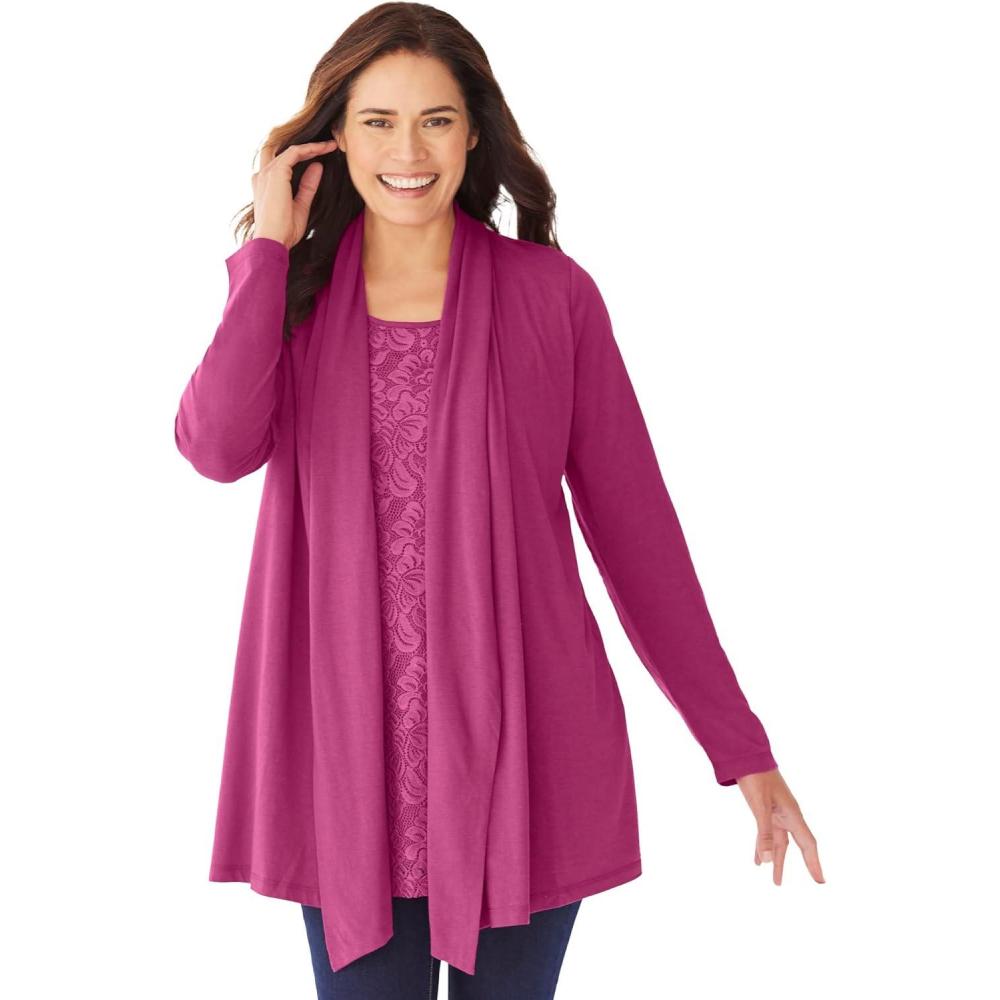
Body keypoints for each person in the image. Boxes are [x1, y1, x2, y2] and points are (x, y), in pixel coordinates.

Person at [174, 4, 824, 998]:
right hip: (348, 768)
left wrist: (739, 746)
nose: (408, 151)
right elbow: (216, 447)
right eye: (379, 121)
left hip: (528, 758)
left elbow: (638, 536)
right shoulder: (290, 297)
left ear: (473, 132)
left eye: (435, 120)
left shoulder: (551, 296)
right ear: (334, 136)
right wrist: (268, 244)